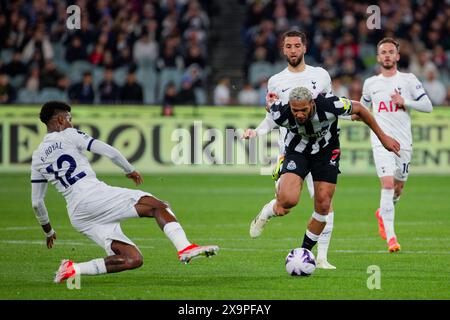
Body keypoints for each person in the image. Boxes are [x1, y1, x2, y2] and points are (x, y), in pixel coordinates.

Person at [31, 101, 219, 283]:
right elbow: (110, 151)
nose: (71, 122)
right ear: (61, 120)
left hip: (78, 214)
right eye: (69, 118)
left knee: (132, 259)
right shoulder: (69, 134)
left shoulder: (37, 156)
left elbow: (37, 202)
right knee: (157, 205)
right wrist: (129, 170)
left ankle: (73, 269)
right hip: (93, 196)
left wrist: (48, 231)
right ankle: (185, 248)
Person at [242, 86, 400, 263]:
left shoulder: (329, 104)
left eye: (304, 110)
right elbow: (271, 108)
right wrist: (268, 107)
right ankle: (267, 212)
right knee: (287, 201)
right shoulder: (283, 111)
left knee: (323, 204)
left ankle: (303, 254)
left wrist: (383, 138)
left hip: (326, 152)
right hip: (297, 152)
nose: (300, 114)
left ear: (312, 103)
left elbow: (361, 109)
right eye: (295, 110)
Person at [256, 30, 342, 269]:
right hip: (293, 146)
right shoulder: (276, 81)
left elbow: (330, 107)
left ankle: (322, 257)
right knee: (285, 205)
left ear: (304, 48)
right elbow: (273, 115)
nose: (292, 50)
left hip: (322, 148)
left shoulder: (321, 75)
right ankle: (268, 210)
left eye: (296, 46)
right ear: (283, 49)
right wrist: (257, 131)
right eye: (288, 46)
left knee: (323, 200)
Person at [361, 37, 433, 252]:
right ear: (378, 57)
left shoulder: (409, 80)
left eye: (391, 52)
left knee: (398, 188)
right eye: (383, 52)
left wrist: (406, 102)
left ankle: (382, 211)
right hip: (381, 140)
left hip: (404, 143)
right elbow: (363, 111)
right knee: (388, 184)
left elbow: (428, 106)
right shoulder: (370, 84)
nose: (387, 55)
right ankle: (392, 239)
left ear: (397, 56)